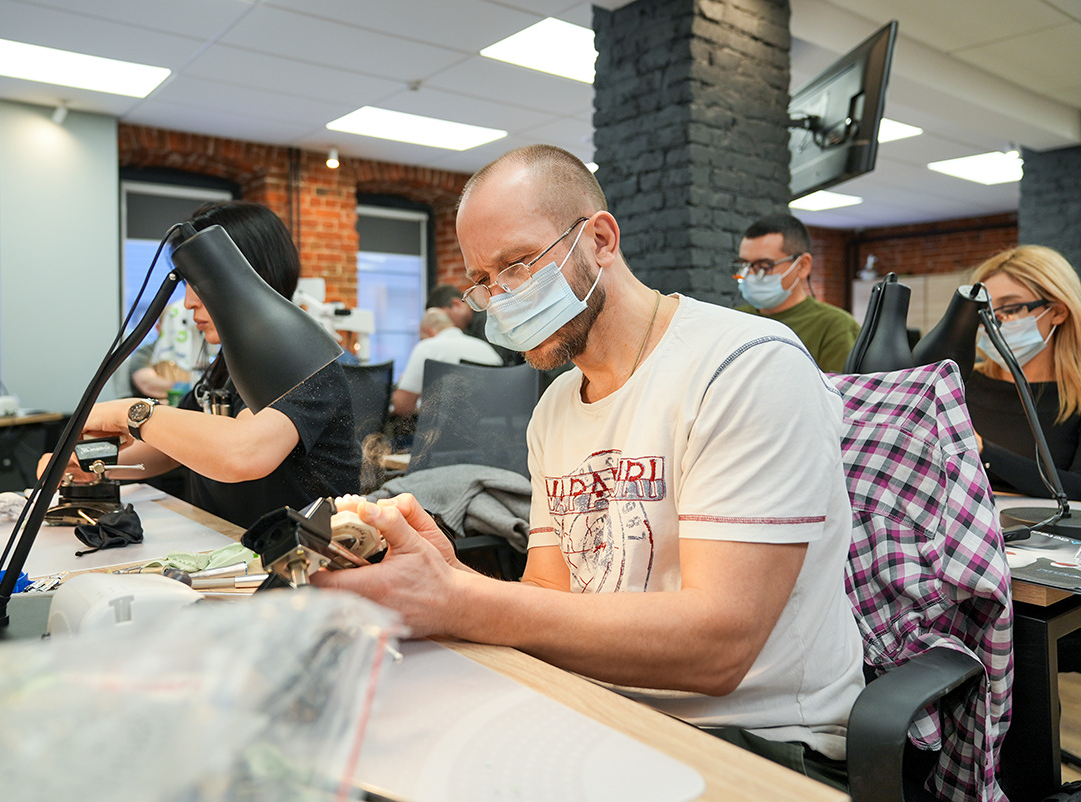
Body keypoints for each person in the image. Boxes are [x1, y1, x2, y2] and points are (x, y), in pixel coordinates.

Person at [314, 145, 864, 788]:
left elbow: (720, 647)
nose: (501, 298)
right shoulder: (555, 407)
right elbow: (549, 601)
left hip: (756, 741)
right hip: (602, 708)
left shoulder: (747, 366)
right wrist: (449, 574)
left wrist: (460, 602)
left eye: (518, 264)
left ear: (600, 240)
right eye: (484, 280)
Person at [41, 201, 360, 529]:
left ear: (250, 278)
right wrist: (85, 462)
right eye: (187, 284)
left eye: (201, 283)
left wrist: (129, 412)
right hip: (226, 542)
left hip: (301, 554)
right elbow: (169, 451)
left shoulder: (304, 361)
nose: (189, 301)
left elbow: (243, 452)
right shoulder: (227, 365)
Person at [964, 245, 1081, 499]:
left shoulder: (1076, 398)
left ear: (1057, 311)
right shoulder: (962, 385)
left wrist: (985, 452)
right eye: (986, 312)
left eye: (1010, 309)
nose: (995, 323)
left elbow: (1077, 488)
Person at [734, 214, 860, 373]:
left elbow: (838, 388)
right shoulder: (736, 319)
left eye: (764, 266)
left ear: (802, 265)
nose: (750, 275)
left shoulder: (835, 326)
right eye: (744, 265)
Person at [390, 307, 502, 417]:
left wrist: (405, 384)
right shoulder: (486, 348)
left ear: (428, 332)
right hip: (490, 425)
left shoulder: (426, 347)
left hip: (443, 426)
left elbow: (402, 407)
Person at [427, 283, 520, 366]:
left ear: (456, 304)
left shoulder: (490, 320)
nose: (444, 323)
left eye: (444, 317)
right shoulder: (467, 330)